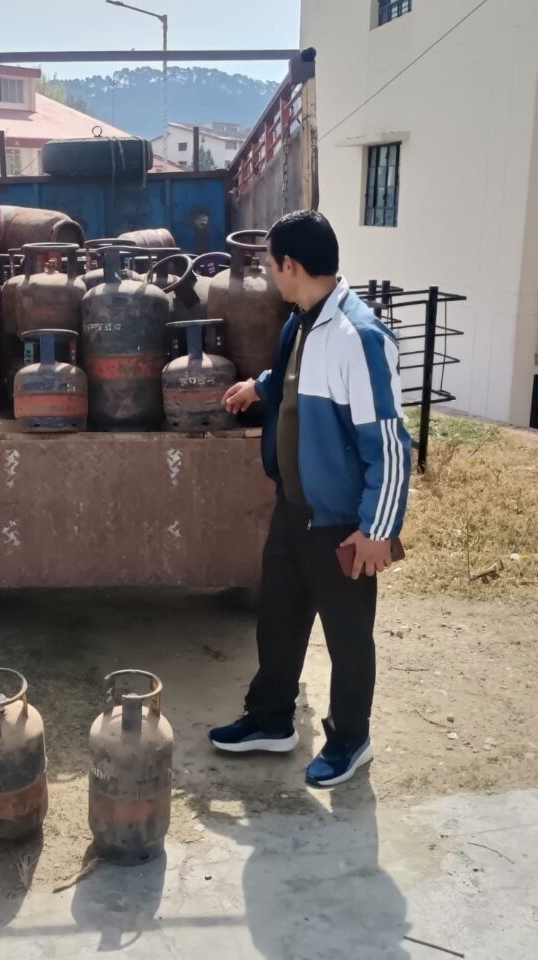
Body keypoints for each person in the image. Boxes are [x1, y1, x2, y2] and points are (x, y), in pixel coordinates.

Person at [209, 210, 411, 788]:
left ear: (291, 265)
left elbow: (389, 443)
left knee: (348, 638)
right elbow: (295, 379)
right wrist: (259, 387)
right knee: (278, 618)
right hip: (293, 506)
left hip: (341, 521)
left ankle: (350, 738)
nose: (270, 274)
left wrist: (378, 530)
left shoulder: (359, 337)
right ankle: (271, 719)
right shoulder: (301, 322)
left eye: (272, 264)